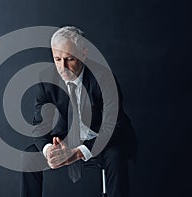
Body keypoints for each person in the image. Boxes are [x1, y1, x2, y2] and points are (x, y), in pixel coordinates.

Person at [20, 26, 137, 197]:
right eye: (57, 59)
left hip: (102, 139)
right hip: (66, 139)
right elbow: (39, 125)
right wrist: (48, 151)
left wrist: (79, 152)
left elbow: (113, 126)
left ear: (83, 53)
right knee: (29, 156)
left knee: (115, 156)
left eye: (69, 59)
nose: (63, 67)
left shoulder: (104, 78)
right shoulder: (46, 78)